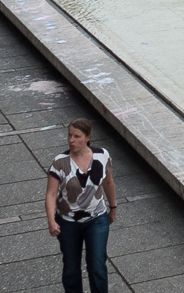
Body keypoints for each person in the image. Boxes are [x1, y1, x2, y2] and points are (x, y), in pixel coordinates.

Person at [46, 117, 116, 293]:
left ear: (87, 137)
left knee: (97, 266)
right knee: (71, 269)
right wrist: (51, 221)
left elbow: (108, 183)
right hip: (68, 221)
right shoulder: (60, 162)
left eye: (77, 136)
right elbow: (51, 194)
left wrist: (113, 207)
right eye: (69, 135)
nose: (71, 140)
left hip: (97, 218)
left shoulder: (102, 155)